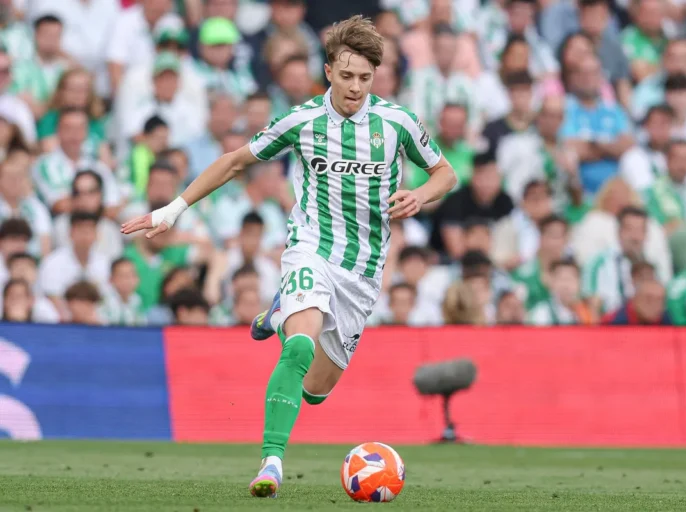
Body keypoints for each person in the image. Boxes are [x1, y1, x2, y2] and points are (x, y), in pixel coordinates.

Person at [120, 15, 457, 498]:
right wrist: (173, 210)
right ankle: (271, 462)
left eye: (365, 77)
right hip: (310, 251)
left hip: (362, 273)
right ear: (328, 72)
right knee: (297, 348)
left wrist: (421, 194)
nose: (356, 87)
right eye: (346, 76)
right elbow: (236, 161)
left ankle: (280, 310)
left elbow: (446, 173)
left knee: (316, 391)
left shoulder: (398, 122)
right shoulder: (302, 121)